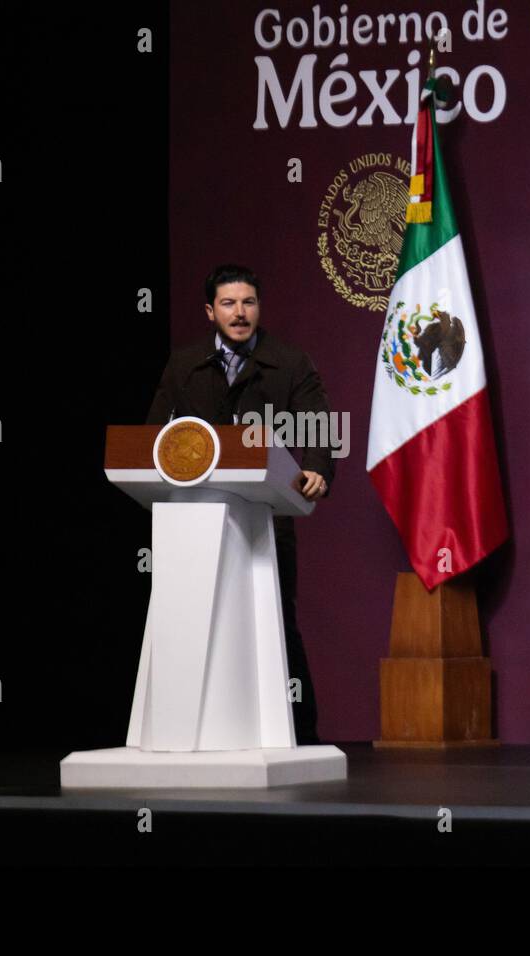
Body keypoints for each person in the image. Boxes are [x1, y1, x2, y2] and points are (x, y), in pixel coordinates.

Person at [145, 264, 334, 744]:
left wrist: (315, 470)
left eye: (248, 302)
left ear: (259, 308)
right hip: (195, 520)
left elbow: (318, 432)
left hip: (263, 519)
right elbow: (152, 437)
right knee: (192, 624)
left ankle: (300, 737)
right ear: (210, 311)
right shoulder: (184, 365)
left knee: (275, 626)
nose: (239, 312)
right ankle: (192, 734)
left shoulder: (290, 363)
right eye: (228, 303)